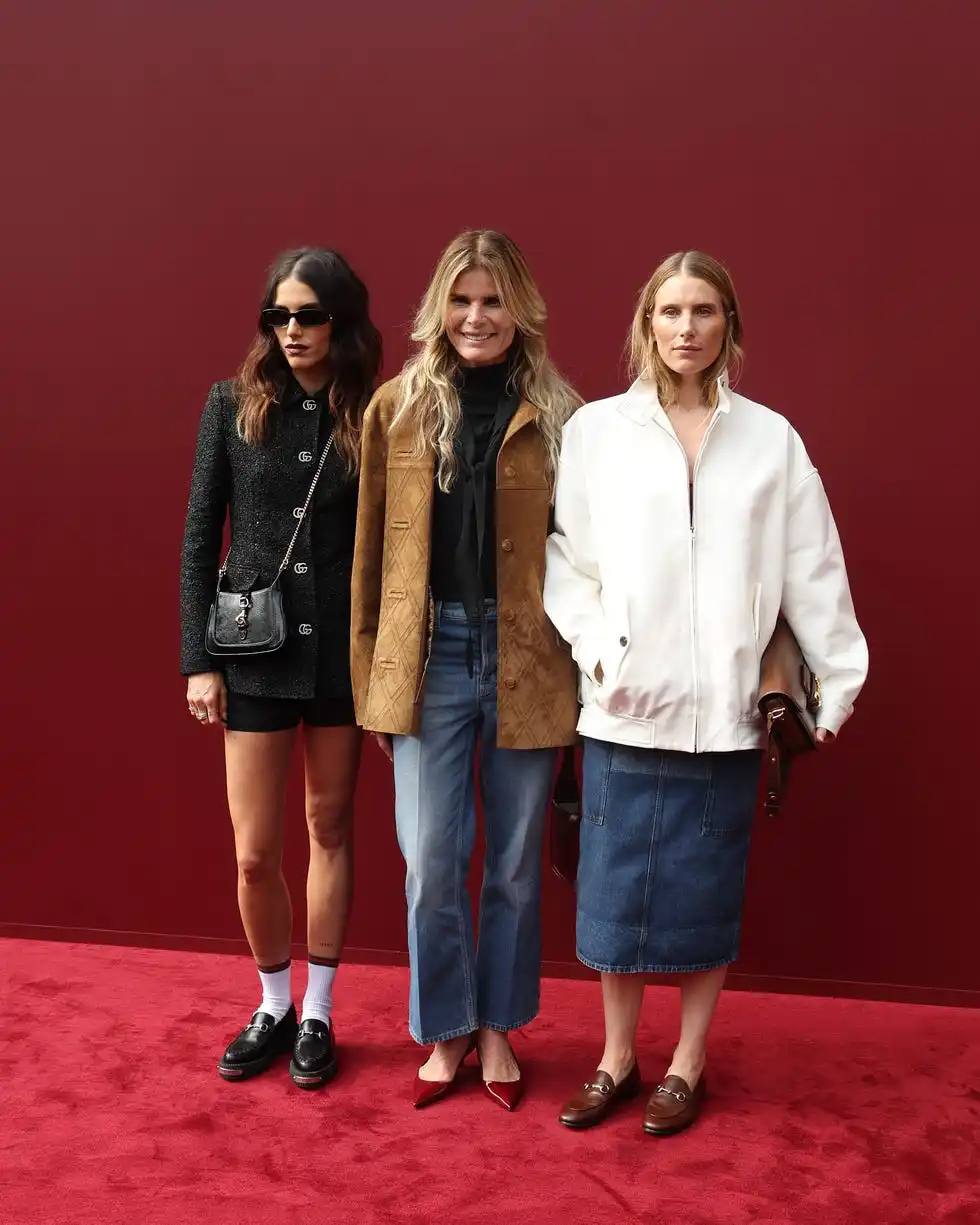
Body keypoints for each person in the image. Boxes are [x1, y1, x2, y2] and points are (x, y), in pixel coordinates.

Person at [543, 250, 868, 1136]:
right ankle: (615, 1057)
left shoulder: (772, 441)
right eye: (671, 311)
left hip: (724, 717)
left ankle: (687, 1061)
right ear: (646, 323)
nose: (687, 328)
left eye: (705, 311)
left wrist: (835, 686)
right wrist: (603, 654)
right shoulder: (598, 432)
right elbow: (566, 563)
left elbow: (814, 568)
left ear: (730, 325)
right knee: (611, 897)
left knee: (704, 893)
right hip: (623, 707)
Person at [351, 229, 580, 1111]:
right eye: (462, 300)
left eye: (492, 300)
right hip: (430, 654)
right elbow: (368, 553)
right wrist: (374, 675)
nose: (476, 317)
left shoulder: (565, 415)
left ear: (519, 307)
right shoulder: (394, 410)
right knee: (431, 859)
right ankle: (445, 1026)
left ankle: (498, 1026)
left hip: (529, 653)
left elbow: (586, 557)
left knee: (515, 863)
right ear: (438, 309)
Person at [179, 248, 382, 1087]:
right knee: (255, 853)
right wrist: (199, 661)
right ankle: (273, 1002)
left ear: (341, 321)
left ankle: (322, 1011)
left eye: (308, 316)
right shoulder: (230, 405)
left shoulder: (373, 410)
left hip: (339, 655)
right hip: (253, 656)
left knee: (329, 828)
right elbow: (199, 541)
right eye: (279, 316)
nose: (291, 331)